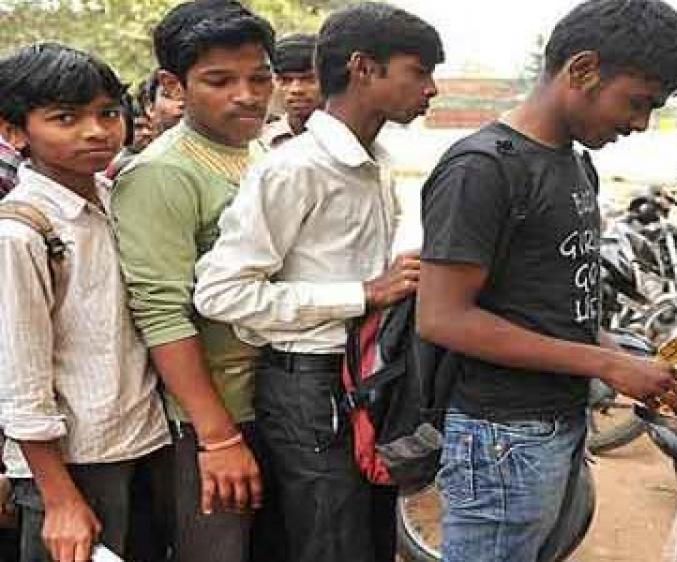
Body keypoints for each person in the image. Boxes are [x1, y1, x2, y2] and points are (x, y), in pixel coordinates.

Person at [417, 1, 677, 560]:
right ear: (582, 69)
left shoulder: (575, 165)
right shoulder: (483, 168)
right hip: (500, 435)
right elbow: (444, 317)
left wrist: (615, 351)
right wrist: (606, 364)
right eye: (638, 102)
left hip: (554, 421)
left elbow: (549, 307)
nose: (640, 124)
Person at [193, 4, 442, 561]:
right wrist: (362, 293)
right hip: (310, 389)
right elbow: (220, 292)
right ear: (363, 68)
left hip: (365, 381)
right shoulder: (294, 168)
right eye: (419, 71)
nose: (431, 89)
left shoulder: (376, 162)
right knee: (333, 544)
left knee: (370, 538)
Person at [111, 1, 279, 560]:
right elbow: (159, 311)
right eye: (219, 80)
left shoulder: (257, 154)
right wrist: (216, 435)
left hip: (271, 403)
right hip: (207, 420)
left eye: (260, 77)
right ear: (173, 84)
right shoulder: (164, 172)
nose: (246, 95)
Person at [0, 42, 171, 562]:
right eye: (65, 118)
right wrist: (59, 498)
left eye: (107, 113)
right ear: (13, 133)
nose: (96, 131)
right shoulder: (21, 231)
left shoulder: (117, 199)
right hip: (72, 463)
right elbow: (21, 377)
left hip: (141, 443)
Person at [261, 33, 322, 148]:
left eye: (308, 79)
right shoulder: (260, 143)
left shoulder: (349, 139)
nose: (296, 90)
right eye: (285, 80)